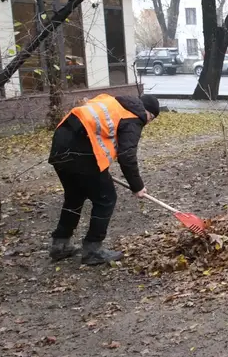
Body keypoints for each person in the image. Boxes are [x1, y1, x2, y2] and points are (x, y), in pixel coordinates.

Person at [48, 93, 160, 265]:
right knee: (106, 198)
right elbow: (127, 156)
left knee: (74, 197)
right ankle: (93, 250)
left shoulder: (114, 101)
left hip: (60, 145)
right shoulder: (134, 117)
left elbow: (96, 131)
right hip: (82, 153)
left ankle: (60, 245)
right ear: (149, 114)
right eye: (151, 119)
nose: (147, 123)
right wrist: (137, 186)